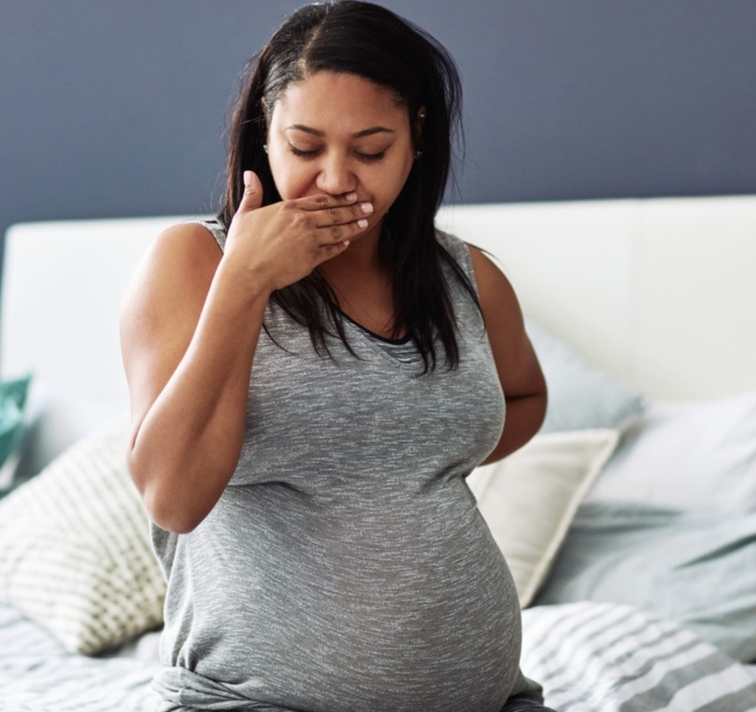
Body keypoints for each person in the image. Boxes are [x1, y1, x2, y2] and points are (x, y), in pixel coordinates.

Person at [120, 2, 549, 710]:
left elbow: (524, 397)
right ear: (265, 130)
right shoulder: (192, 262)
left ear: (416, 132)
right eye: (305, 146)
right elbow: (173, 496)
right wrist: (245, 281)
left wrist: (404, 455)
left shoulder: (466, 279)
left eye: (370, 150)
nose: (335, 179)